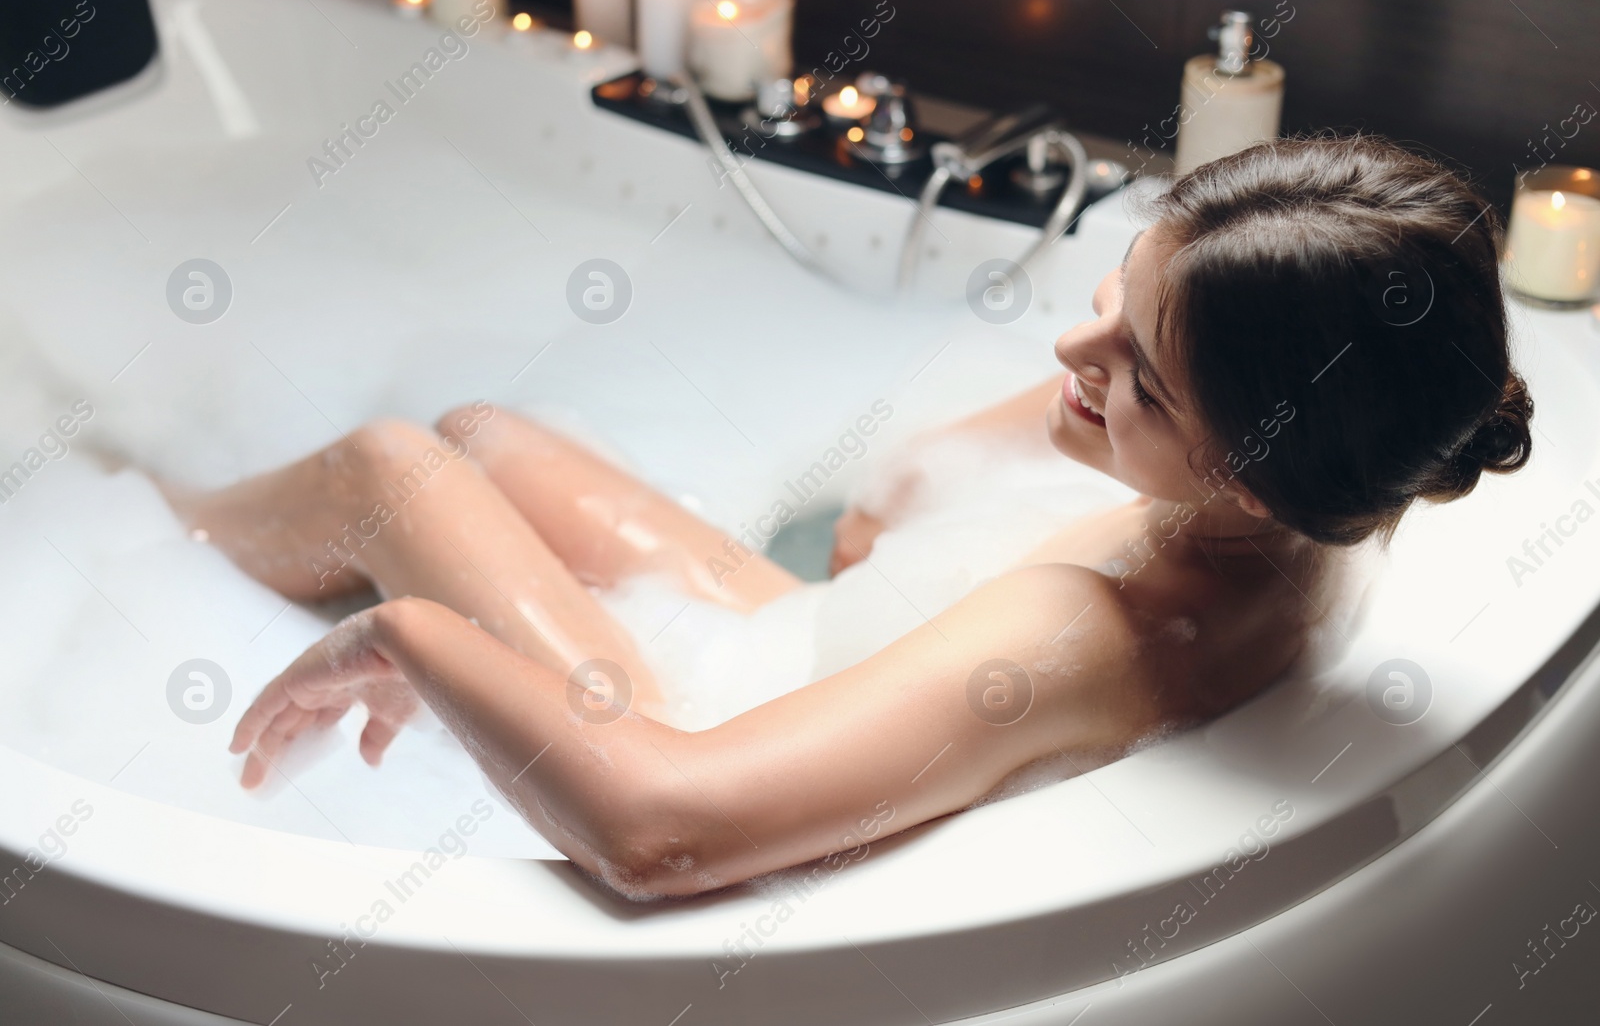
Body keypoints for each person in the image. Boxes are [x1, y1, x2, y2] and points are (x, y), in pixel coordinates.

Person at [181, 134, 1532, 898]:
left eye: (1139, 378)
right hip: (825, 641)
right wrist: (1116, 382)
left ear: (1240, 468)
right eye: (1117, 287)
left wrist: (412, 638)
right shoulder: (1350, 481)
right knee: (477, 438)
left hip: (705, 717)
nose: (1076, 346)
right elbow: (911, 498)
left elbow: (661, 832)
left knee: (385, 471)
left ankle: (156, 520)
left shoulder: (1085, 623)